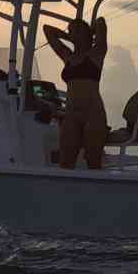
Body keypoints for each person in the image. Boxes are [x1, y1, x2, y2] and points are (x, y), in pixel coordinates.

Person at [42, 15, 109, 169]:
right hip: (71, 114)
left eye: (77, 30)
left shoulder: (96, 53)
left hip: (93, 113)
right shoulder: (68, 56)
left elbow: (101, 22)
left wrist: (89, 32)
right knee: (65, 162)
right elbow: (47, 30)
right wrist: (69, 36)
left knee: (93, 162)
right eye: (71, 31)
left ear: (87, 34)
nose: (73, 33)